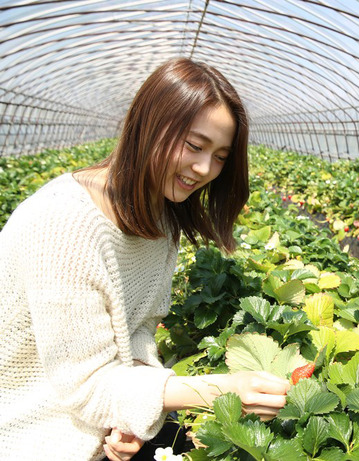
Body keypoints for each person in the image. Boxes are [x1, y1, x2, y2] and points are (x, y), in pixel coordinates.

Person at [0, 58, 290, 461]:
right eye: (194, 145)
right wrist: (223, 389)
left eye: (221, 156)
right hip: (34, 439)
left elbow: (137, 329)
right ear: (148, 125)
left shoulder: (160, 217)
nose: (205, 169)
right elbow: (86, 386)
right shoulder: (61, 223)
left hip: (102, 433)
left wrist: (130, 416)